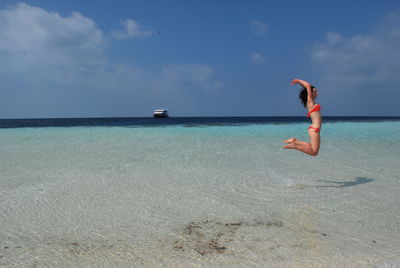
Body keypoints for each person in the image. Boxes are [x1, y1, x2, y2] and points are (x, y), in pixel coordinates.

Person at [283, 79, 321, 156]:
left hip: (314, 129)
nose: (317, 93)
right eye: (315, 92)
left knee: (312, 148)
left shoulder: (312, 102)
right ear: (310, 94)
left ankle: (295, 141)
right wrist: (299, 81)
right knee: (314, 152)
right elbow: (307, 86)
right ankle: (295, 146)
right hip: (315, 130)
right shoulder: (310, 102)